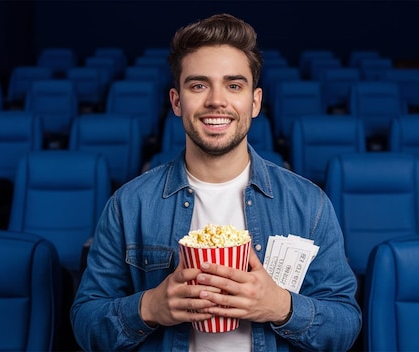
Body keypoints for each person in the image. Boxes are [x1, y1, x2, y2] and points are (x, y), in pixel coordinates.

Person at [71, 13, 361, 351]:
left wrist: (282, 307)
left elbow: (345, 325)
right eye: (198, 85)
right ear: (177, 102)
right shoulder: (129, 205)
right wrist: (150, 307)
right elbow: (85, 323)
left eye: (234, 85)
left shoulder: (309, 204)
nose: (216, 101)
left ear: (255, 102)